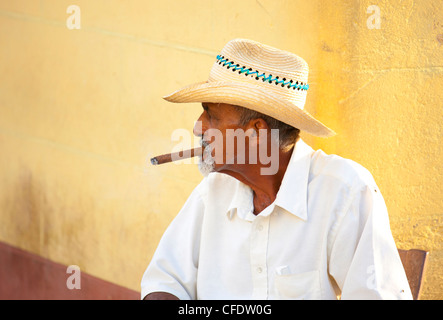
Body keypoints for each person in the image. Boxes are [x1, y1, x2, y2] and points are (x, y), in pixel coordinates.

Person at [141, 38, 412, 300]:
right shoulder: (213, 191)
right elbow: (165, 280)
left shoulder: (345, 192)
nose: (198, 127)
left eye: (211, 115)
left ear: (256, 132)